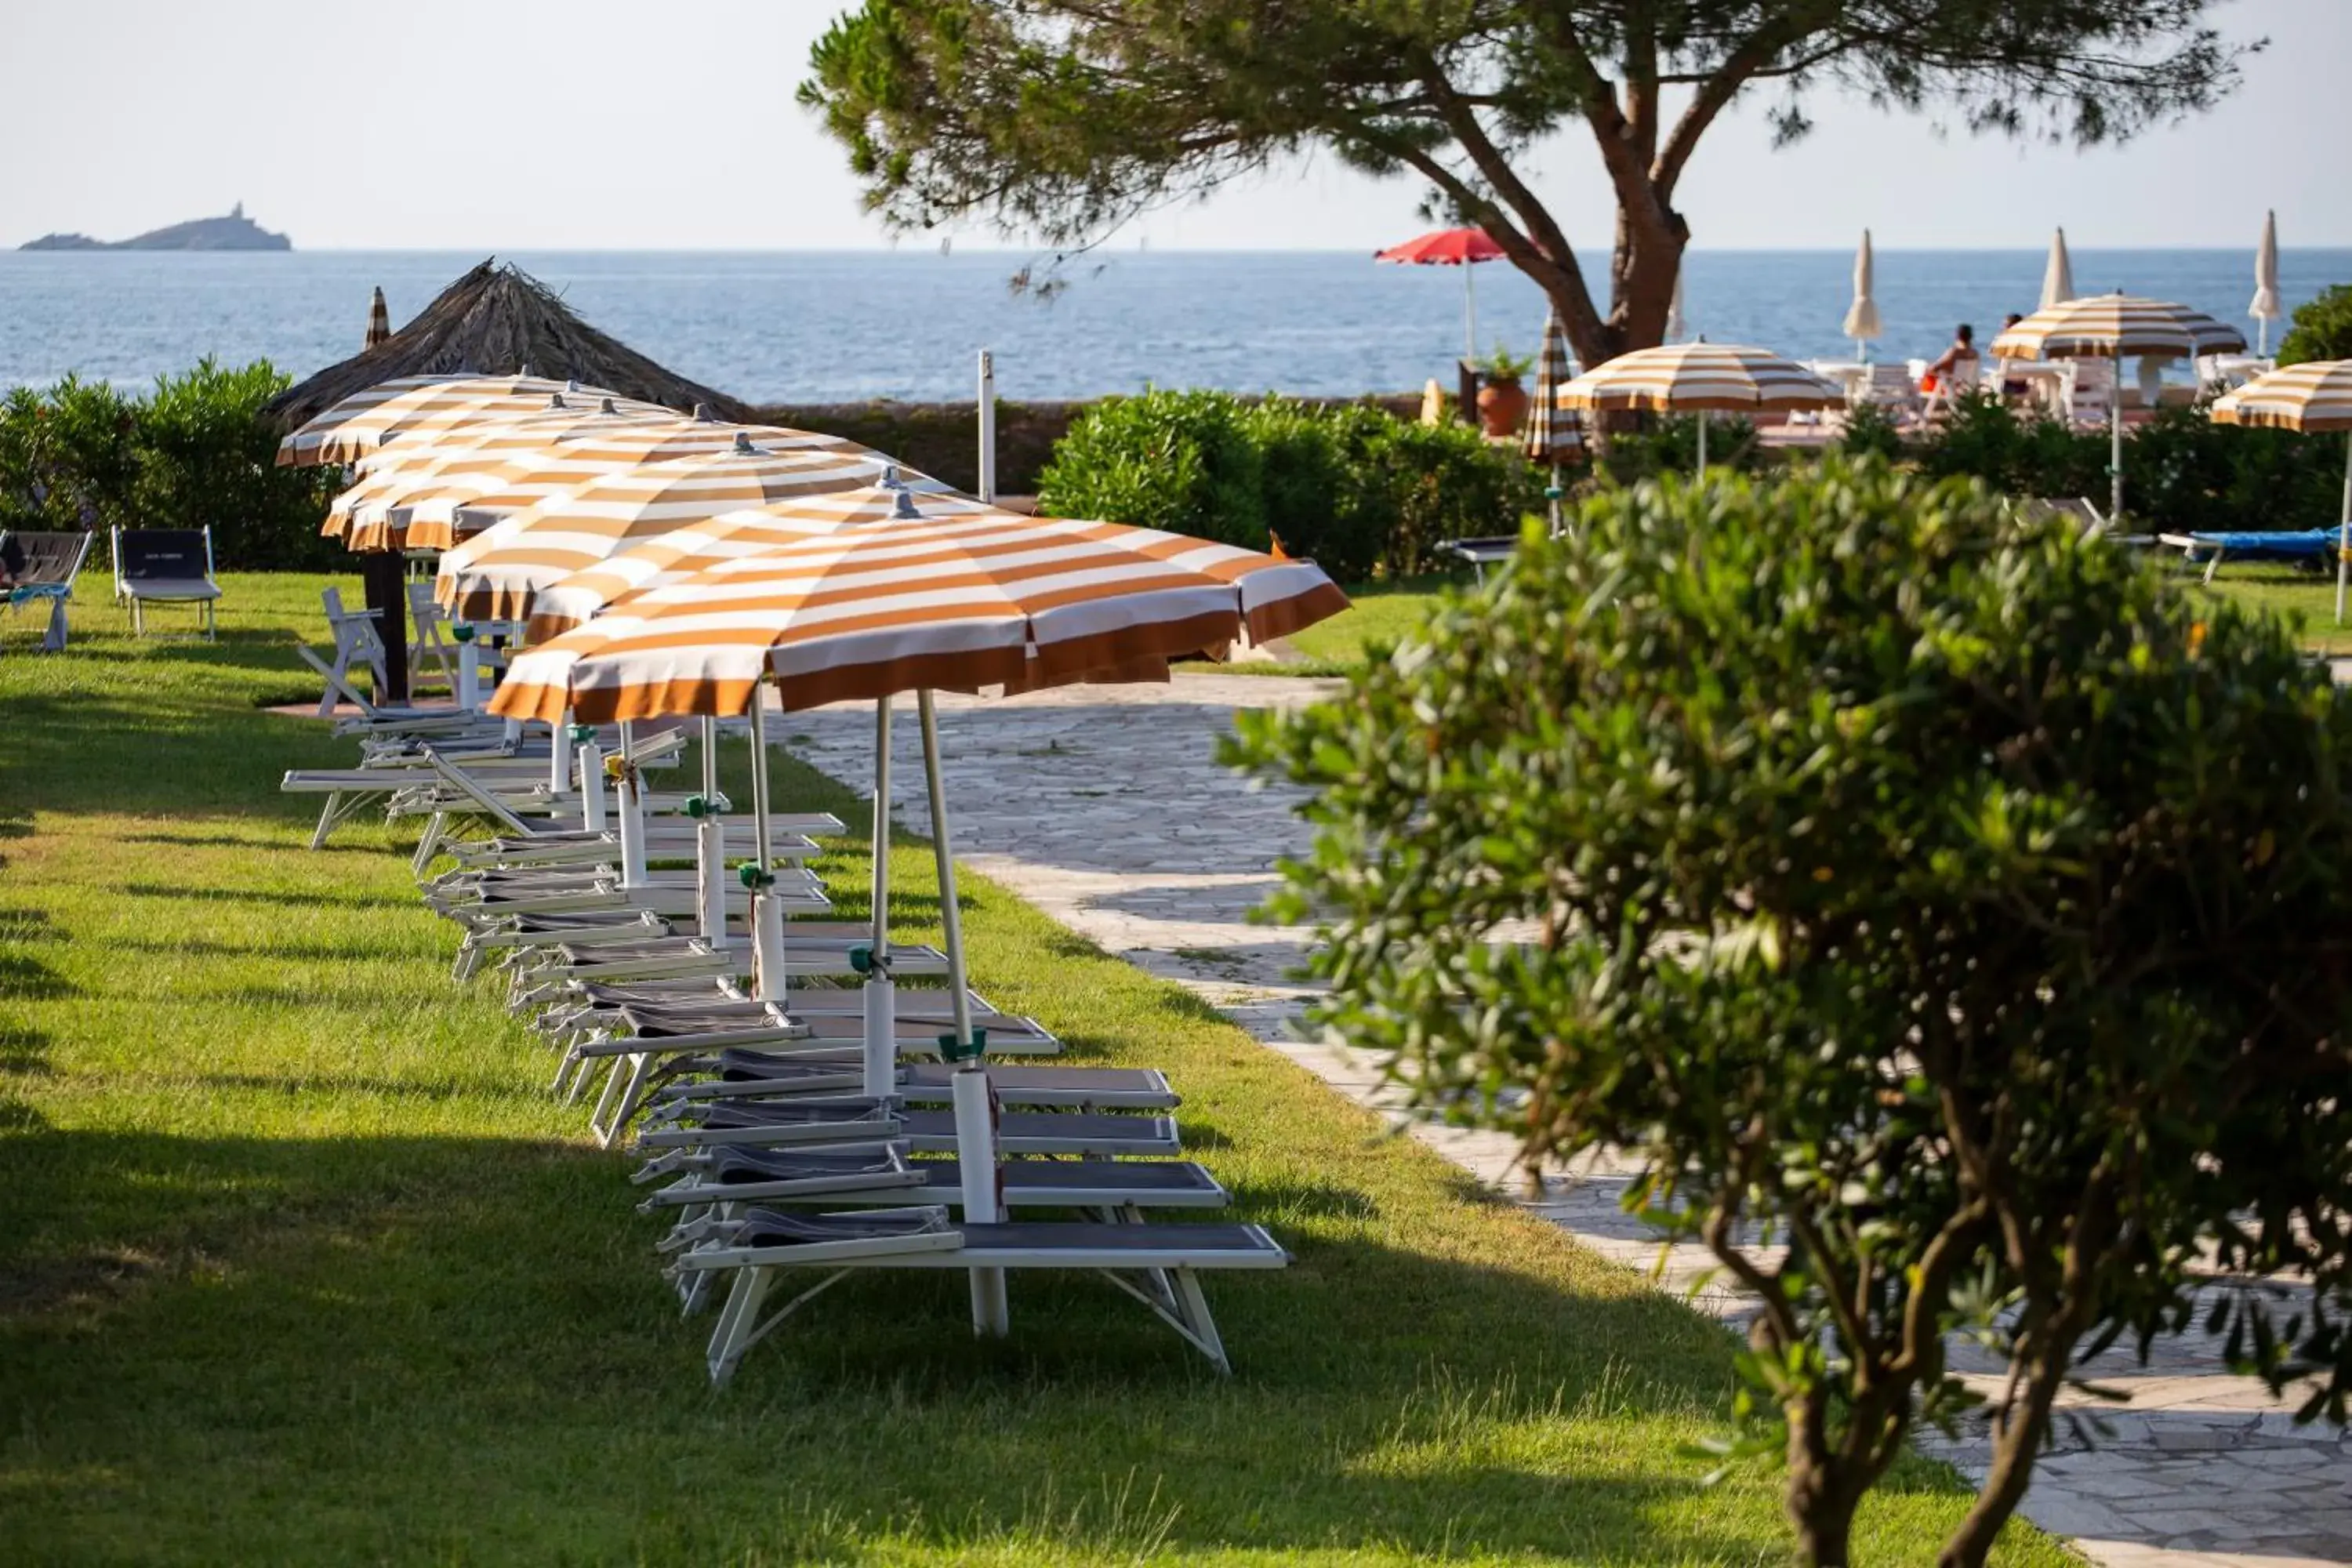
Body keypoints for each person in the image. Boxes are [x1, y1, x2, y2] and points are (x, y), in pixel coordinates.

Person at [1921, 323, 1977, 395]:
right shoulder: (1975, 354)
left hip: (1950, 389)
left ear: (1958, 336)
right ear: (1971, 337)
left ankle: (1926, 400)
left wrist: (1927, 369)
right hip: (1966, 388)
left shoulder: (1955, 352)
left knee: (1928, 374)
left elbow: (1935, 368)